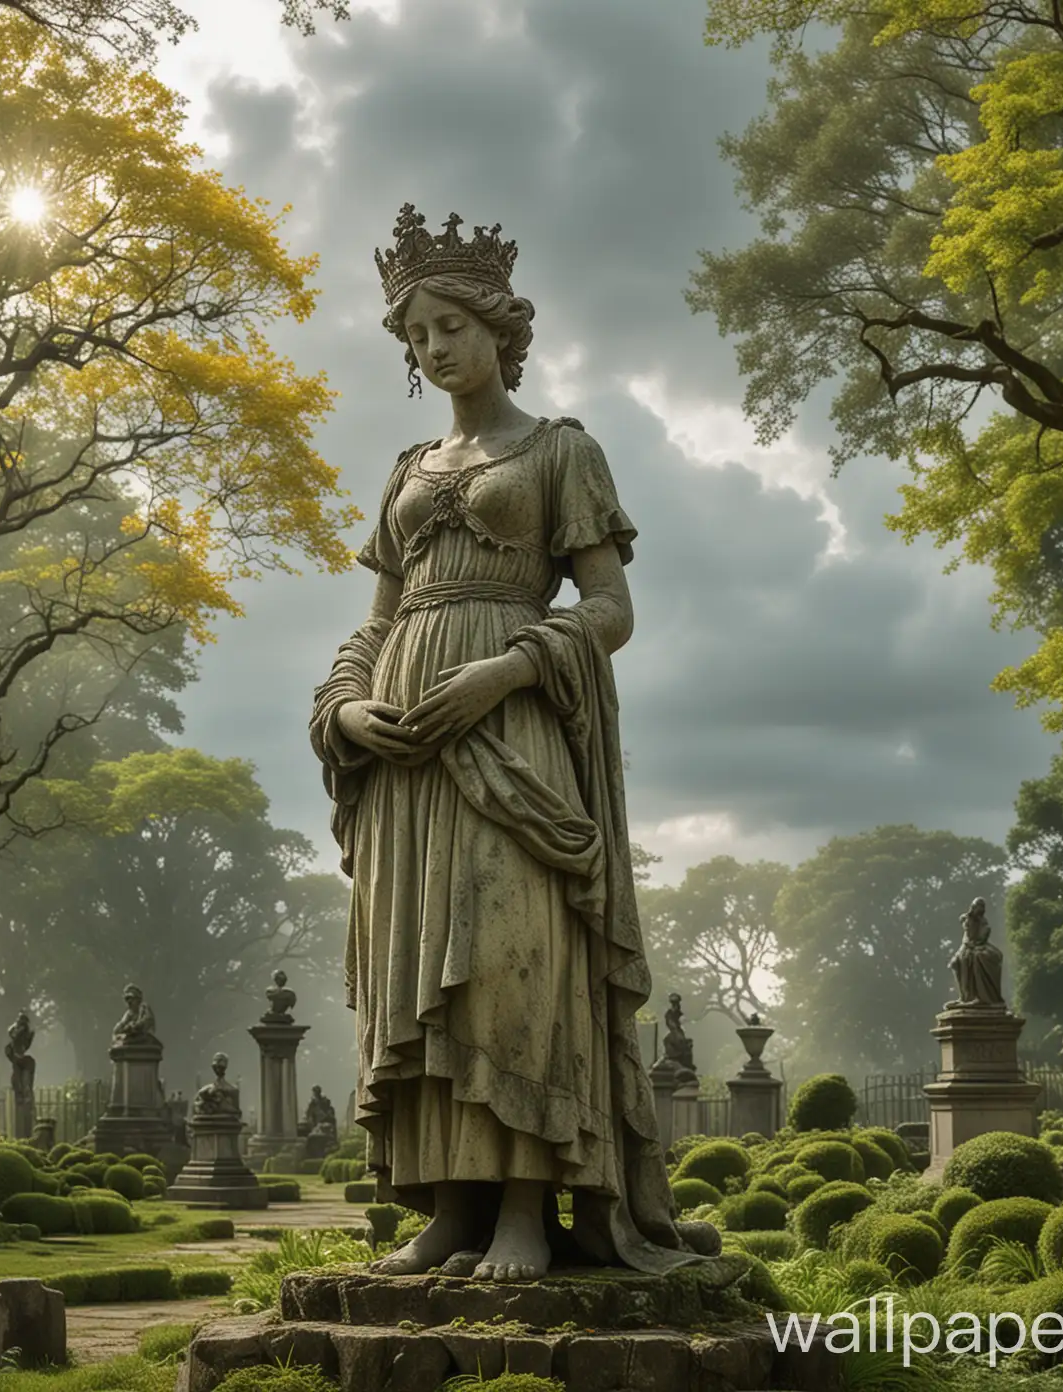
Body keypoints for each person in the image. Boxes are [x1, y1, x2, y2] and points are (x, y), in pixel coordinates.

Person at [308, 205, 711, 1282]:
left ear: (498, 327)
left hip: (514, 727)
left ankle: (531, 1207)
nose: (432, 348)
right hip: (405, 752)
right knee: (416, 972)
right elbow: (381, 620)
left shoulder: (560, 450)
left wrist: (509, 667)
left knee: (507, 963)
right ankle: (452, 1210)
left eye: (448, 324)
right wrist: (347, 705)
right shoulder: (404, 468)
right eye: (413, 335)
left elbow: (611, 609)